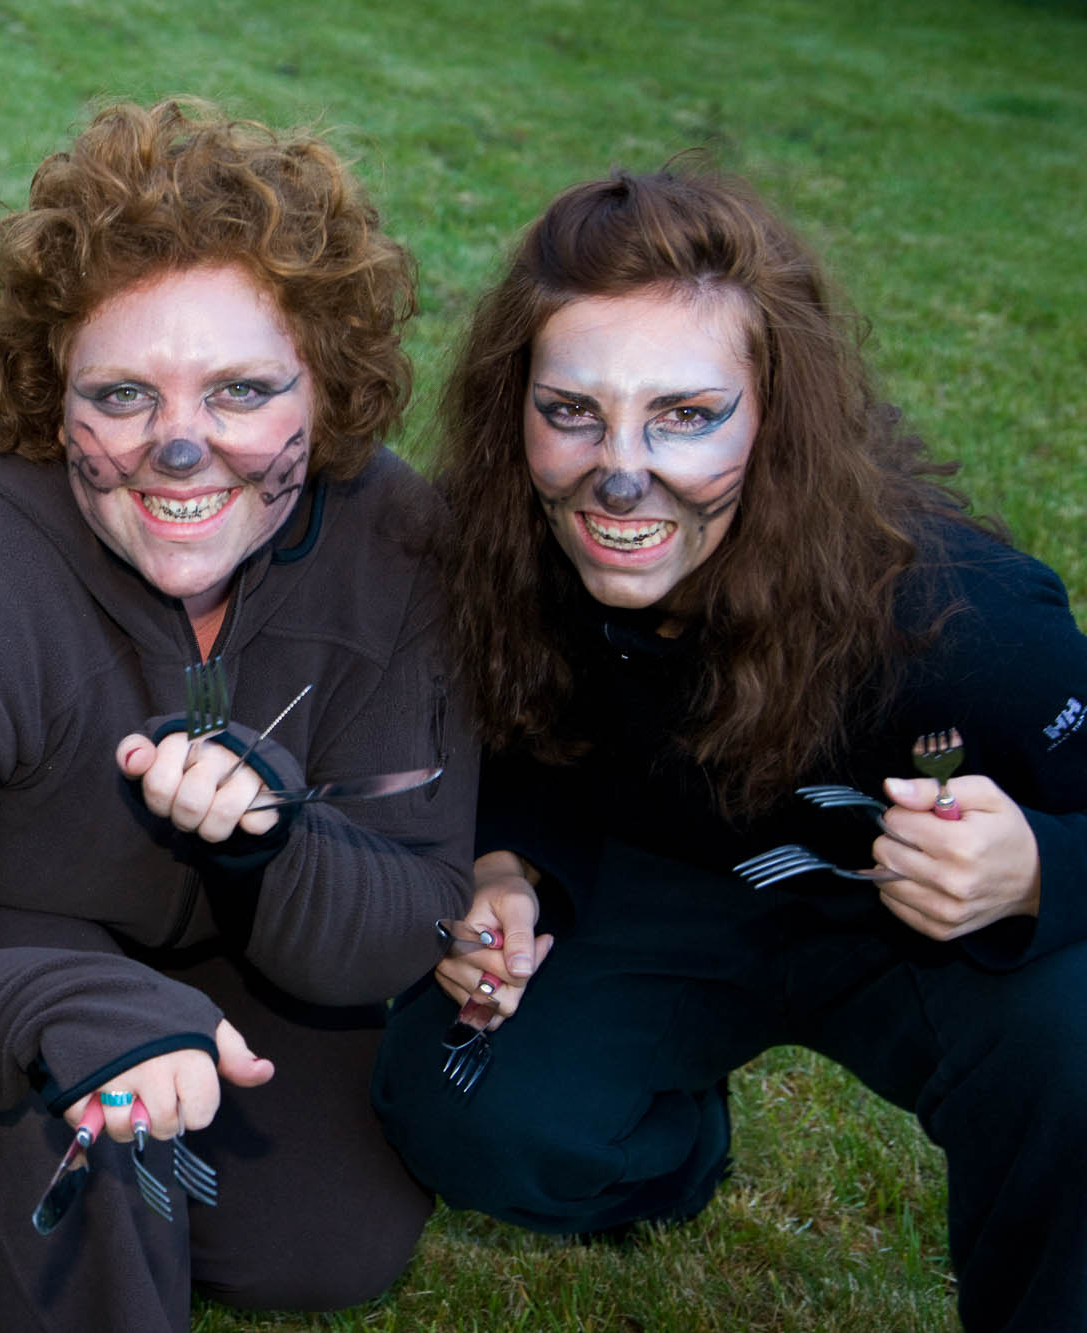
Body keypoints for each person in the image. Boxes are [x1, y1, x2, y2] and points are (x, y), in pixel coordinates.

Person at [0, 100, 473, 1331]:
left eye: (239, 390)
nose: (180, 451)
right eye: (123, 395)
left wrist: (271, 845)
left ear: (325, 387)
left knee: (323, 1252)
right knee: (103, 1274)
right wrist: (54, 1012)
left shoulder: (400, 547)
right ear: (50, 389)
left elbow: (413, 901)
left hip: (227, 954)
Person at [370, 167, 1087, 1332]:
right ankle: (671, 1131)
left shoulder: (962, 627)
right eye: (570, 411)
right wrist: (507, 864)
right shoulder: (509, 548)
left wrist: (1039, 871)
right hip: (671, 888)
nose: (617, 471)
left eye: (685, 415)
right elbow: (516, 740)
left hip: (903, 925)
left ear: (778, 417)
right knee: (462, 1109)